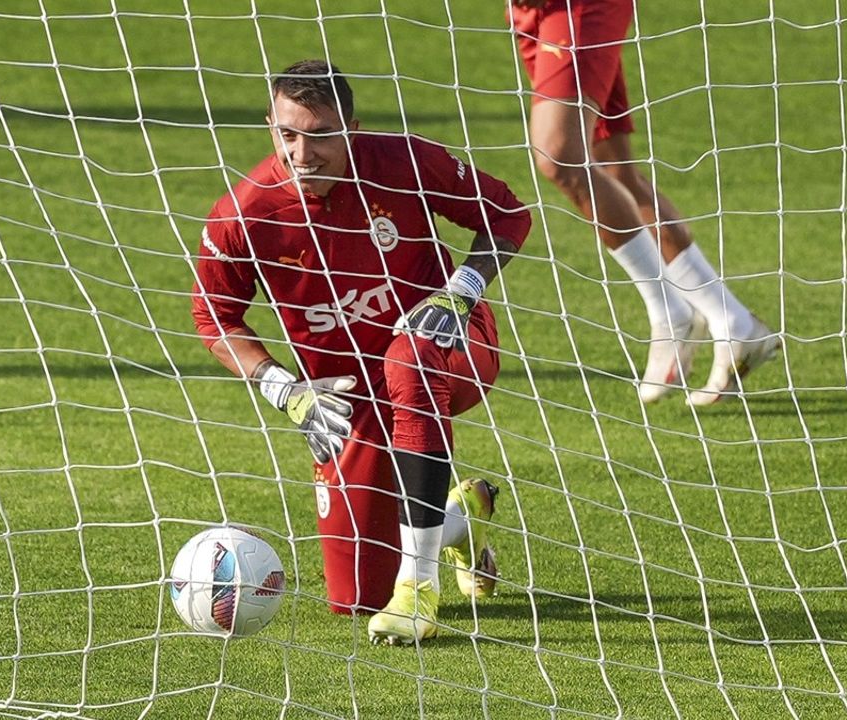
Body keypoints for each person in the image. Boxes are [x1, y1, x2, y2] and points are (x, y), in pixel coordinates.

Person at [191, 60, 532, 645]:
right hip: (349, 402)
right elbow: (215, 318)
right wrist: (285, 390)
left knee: (409, 359)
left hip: (449, 351)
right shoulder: (243, 214)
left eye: (321, 135)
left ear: (351, 128)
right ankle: (460, 519)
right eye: (287, 133)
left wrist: (460, 291)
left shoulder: (404, 162)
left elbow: (507, 214)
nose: (302, 153)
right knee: (354, 597)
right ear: (270, 125)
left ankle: (419, 589)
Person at [508, 0, 779, 405]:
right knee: (612, 169)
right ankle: (733, 320)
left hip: (576, 6)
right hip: (534, 11)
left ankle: (668, 310)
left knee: (559, 155)